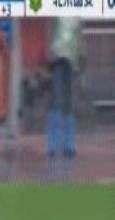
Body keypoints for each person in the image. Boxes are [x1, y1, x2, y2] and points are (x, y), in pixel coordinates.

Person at [47, 18, 83, 157]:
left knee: (65, 103)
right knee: (60, 102)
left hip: (67, 60)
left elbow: (79, 37)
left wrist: (81, 56)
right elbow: (51, 32)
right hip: (61, 59)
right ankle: (57, 145)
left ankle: (64, 145)